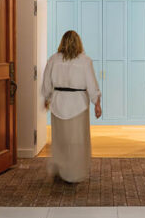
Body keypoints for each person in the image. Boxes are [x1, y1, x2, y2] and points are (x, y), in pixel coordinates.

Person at [41, 30, 102, 183]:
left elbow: (47, 82)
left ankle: (60, 170)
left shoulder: (53, 59)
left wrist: (47, 97)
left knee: (60, 140)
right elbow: (91, 84)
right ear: (78, 42)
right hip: (78, 105)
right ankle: (75, 173)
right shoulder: (85, 61)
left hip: (58, 103)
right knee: (77, 140)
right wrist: (97, 103)